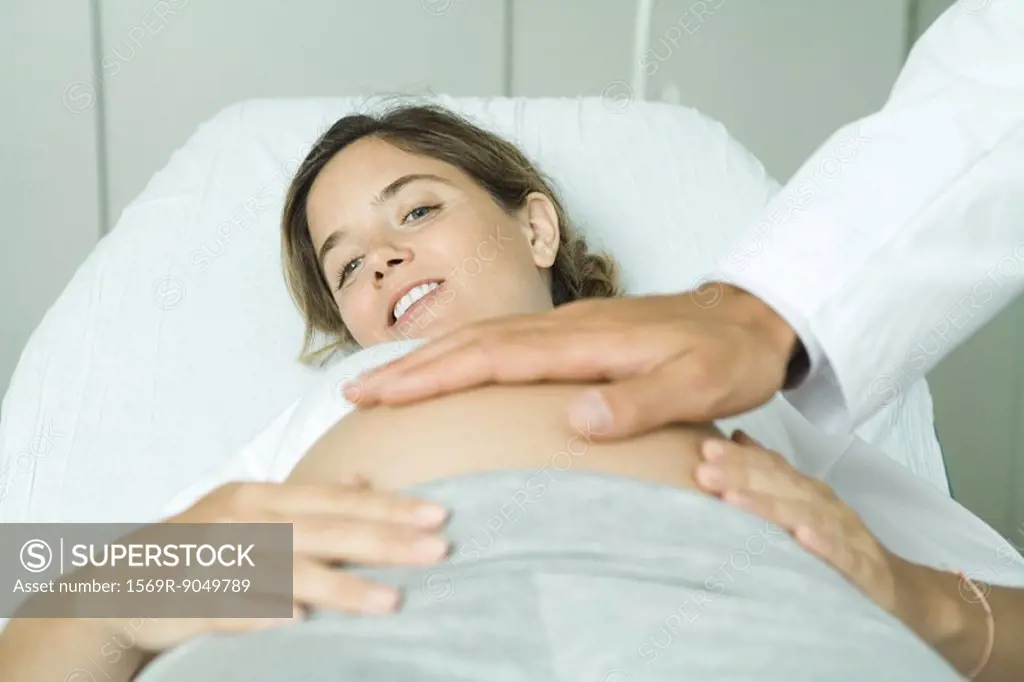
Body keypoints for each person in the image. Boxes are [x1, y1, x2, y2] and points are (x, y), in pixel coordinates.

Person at [0, 103, 1009, 681]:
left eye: (418, 210)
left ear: (537, 229)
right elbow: (34, 630)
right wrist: (145, 582)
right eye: (345, 267)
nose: (383, 260)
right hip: (370, 621)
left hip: (724, 609)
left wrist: (912, 598)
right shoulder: (318, 420)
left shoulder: (725, 358)